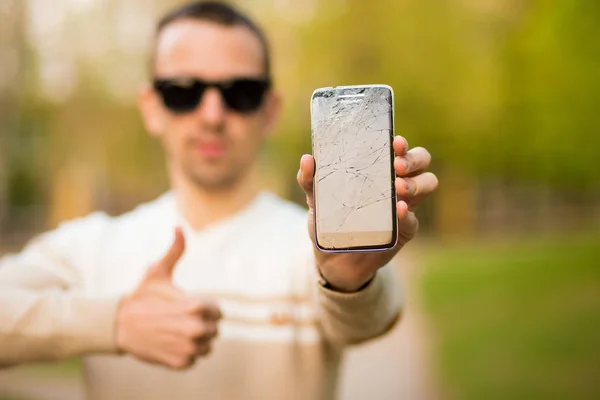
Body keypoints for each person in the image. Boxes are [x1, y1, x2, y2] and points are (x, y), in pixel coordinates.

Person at [0, 2, 438, 399]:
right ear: (151, 107)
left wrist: (348, 282)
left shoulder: (312, 242)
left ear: (269, 110)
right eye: (183, 92)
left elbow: (369, 320)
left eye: (240, 93)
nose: (212, 115)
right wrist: (114, 322)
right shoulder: (91, 247)